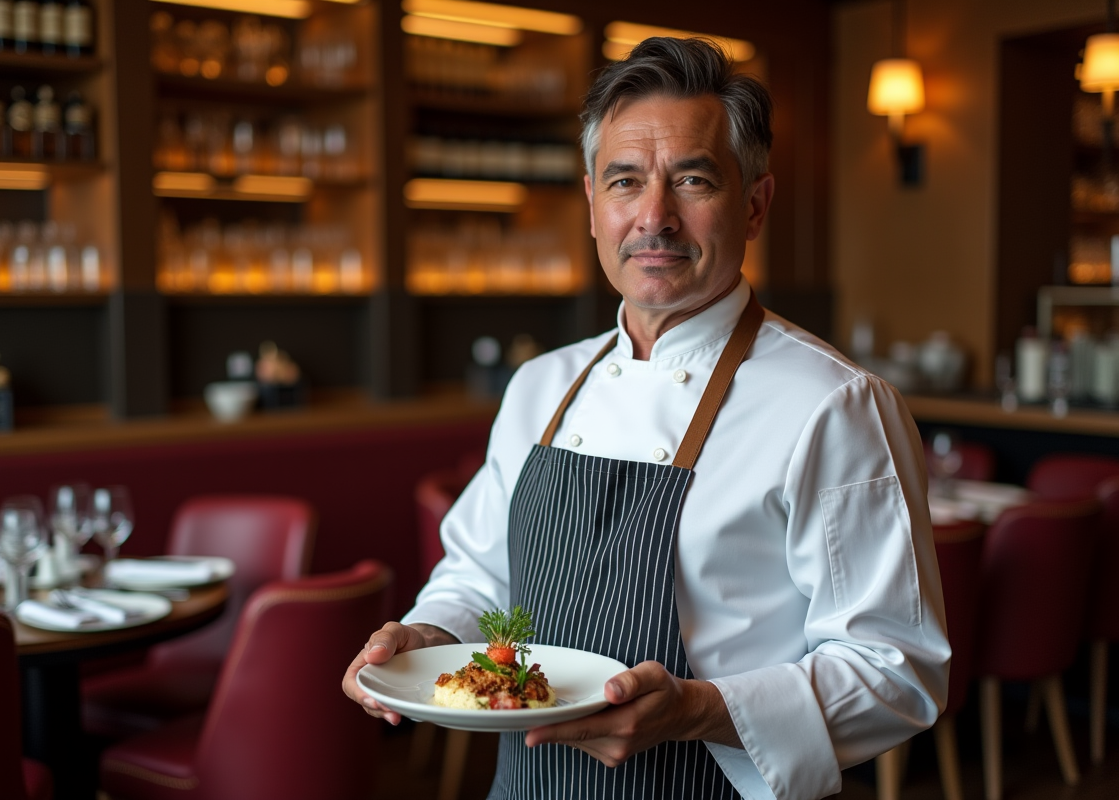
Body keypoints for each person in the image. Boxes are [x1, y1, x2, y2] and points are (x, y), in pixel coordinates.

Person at [343, 37, 949, 800]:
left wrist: (699, 710)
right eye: (625, 181)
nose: (654, 218)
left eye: (693, 180)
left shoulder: (834, 404)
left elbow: (898, 670)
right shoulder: (540, 386)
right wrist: (429, 634)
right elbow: (479, 576)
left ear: (754, 205)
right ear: (592, 204)